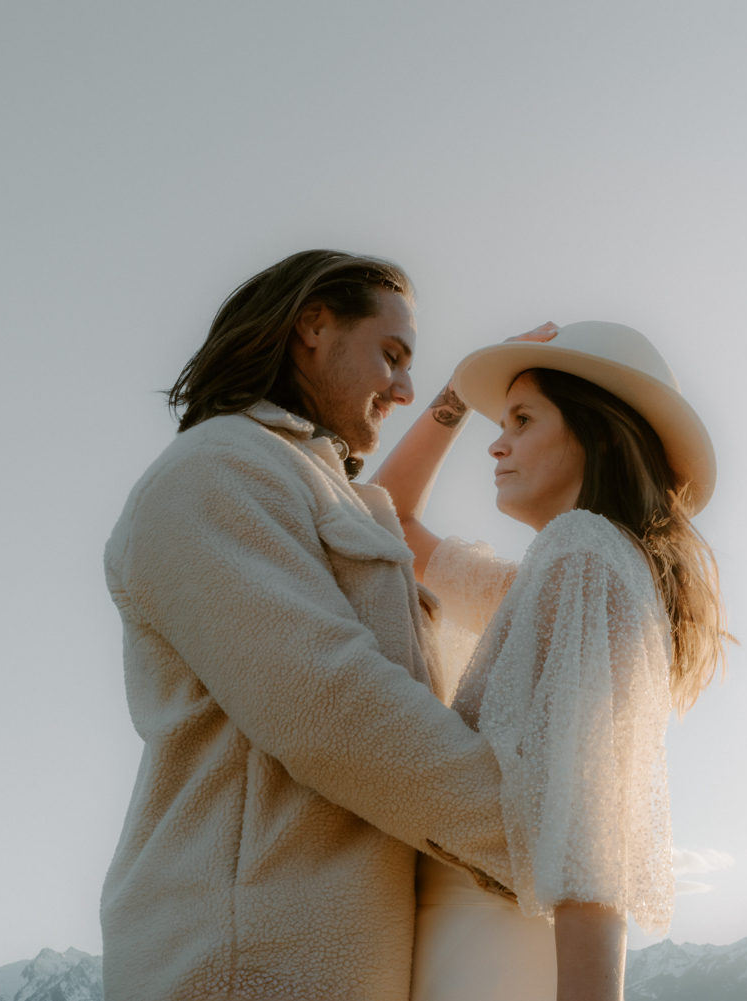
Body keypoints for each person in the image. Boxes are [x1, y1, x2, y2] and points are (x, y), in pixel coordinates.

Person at [100, 250, 519, 1001]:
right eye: (392, 355)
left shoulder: (330, 491)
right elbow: (331, 702)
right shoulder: (212, 470)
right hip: (241, 969)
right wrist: (543, 834)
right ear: (314, 327)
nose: (405, 386)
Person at [372, 320, 728, 1001]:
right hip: (486, 943)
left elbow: (591, 837)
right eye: (497, 420)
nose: (495, 441)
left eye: (523, 419)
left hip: (486, 952)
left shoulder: (583, 556)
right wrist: (454, 395)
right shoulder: (559, 576)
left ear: (594, 433)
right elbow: (389, 520)